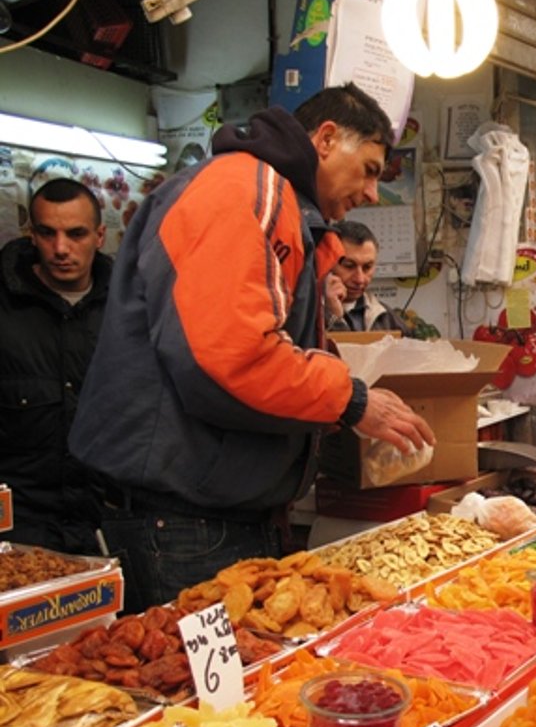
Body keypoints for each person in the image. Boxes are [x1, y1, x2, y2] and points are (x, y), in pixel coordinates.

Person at [69, 82, 435, 613]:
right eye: (372, 170)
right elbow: (232, 355)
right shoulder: (245, 191)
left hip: (209, 512)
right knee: (200, 694)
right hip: (182, 521)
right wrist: (351, 400)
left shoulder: (281, 204)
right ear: (327, 139)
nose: (372, 193)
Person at [0, 179, 111, 554]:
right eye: (47, 233)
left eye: (76, 234)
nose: (61, 249)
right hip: (18, 533)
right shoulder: (5, 308)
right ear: (31, 234)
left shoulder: (129, 309)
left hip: (107, 528)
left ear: (99, 235)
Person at [324, 219, 402, 332]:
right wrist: (332, 318)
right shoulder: (307, 315)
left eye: (367, 267)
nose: (360, 279)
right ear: (328, 264)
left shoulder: (387, 318)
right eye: (349, 266)